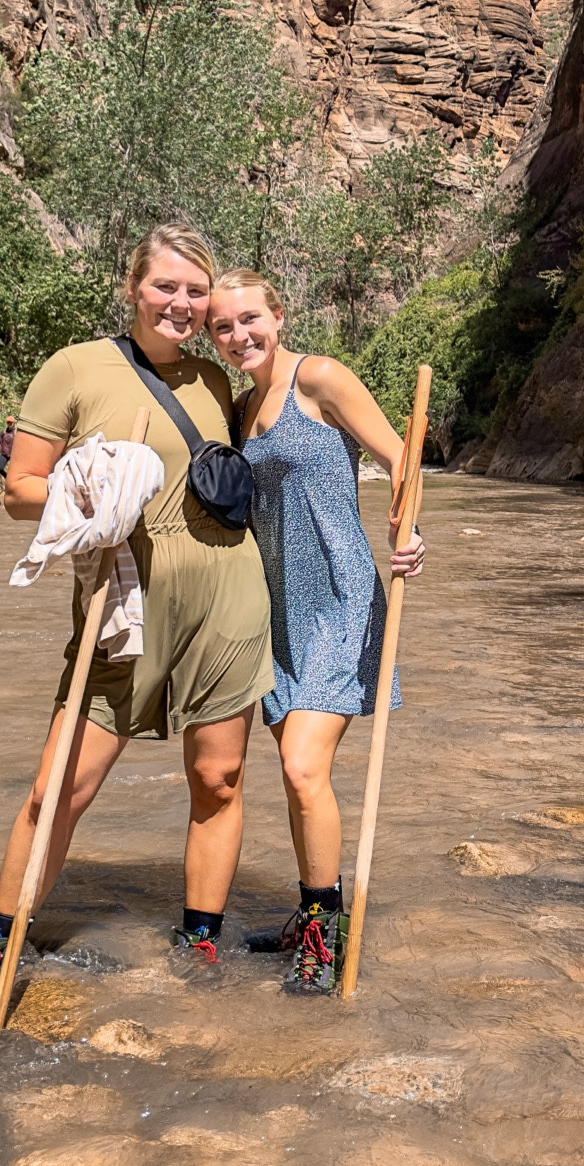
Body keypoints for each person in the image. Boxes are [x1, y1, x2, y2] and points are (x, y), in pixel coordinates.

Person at [0, 225, 273, 972]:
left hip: (227, 598)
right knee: (58, 788)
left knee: (218, 778)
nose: (181, 303)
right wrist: (87, 489)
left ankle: (200, 935)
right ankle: (3, 935)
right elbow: (17, 491)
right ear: (133, 286)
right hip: (122, 609)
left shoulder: (214, 381)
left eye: (196, 292)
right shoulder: (75, 368)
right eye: (165, 286)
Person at [207, 270, 425, 995]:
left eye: (248, 319)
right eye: (223, 327)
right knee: (302, 780)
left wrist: (410, 529)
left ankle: (325, 932)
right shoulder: (239, 408)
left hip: (338, 597)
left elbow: (402, 460)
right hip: (273, 610)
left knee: (303, 768)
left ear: (278, 314)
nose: (239, 336)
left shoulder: (321, 378)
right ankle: (310, 912)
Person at [0, 416, 17, 483]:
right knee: (0, 468)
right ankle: (7, 479)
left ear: (14, 423)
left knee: (14, 471)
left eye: (10, 423)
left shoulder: (16, 432)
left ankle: (13, 482)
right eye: (8, 423)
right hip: (4, 454)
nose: (9, 424)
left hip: (13, 455)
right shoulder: (4, 432)